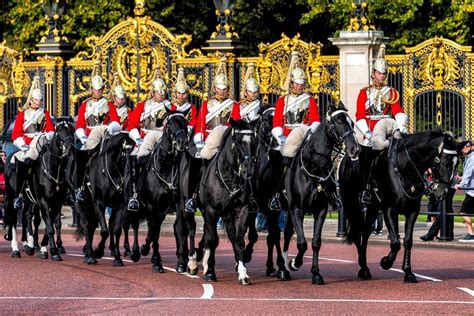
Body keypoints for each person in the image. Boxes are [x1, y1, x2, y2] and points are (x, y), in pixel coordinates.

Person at [184, 59, 241, 213]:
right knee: (197, 162)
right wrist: (199, 140)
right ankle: (193, 195)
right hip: (209, 141)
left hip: (227, 140)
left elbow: (236, 124)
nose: (222, 91)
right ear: (214, 88)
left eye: (224, 89)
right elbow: (200, 125)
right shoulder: (206, 105)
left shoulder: (234, 105)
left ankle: (246, 197)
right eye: (219, 88)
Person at [269, 51, 320, 211]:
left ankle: (326, 192)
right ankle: (276, 195)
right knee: (279, 164)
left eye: (302, 83)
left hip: (304, 138)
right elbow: (277, 121)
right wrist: (281, 138)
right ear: (291, 83)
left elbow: (315, 120)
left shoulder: (310, 100)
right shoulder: (282, 101)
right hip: (287, 139)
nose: (300, 86)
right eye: (297, 83)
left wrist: (311, 132)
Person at [126, 75, 172, 211]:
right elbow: (132, 125)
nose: (161, 95)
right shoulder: (143, 106)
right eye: (158, 92)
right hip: (146, 139)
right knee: (138, 159)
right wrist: (138, 139)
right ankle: (135, 194)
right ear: (153, 92)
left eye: (163, 92)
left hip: (165, 139)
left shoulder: (172, 106)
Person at [74, 74, 121, 201]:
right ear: (92, 89)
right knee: (81, 157)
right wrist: (83, 137)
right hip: (90, 137)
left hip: (105, 135)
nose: (98, 92)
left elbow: (116, 120)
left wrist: (110, 128)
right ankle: (80, 187)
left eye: (100, 89)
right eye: (96, 89)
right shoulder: (85, 105)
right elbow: (80, 125)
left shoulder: (109, 104)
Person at [11, 76, 54, 209]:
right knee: (25, 164)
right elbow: (16, 134)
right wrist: (22, 145)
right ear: (31, 100)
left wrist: (47, 137)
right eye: (37, 100)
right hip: (28, 146)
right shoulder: (23, 115)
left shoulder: (45, 113)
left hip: (42, 144)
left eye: (41, 100)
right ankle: (19, 195)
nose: (40, 102)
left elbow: (50, 130)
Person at [355, 44, 408, 146]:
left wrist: (400, 126)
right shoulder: (364, 92)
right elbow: (360, 115)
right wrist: (367, 133)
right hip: (371, 131)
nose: (382, 76)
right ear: (373, 74)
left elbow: (397, 110)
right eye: (379, 73)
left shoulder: (391, 91)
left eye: (384, 73)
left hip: (388, 131)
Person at [454, 140, 474, 242]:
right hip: (472, 190)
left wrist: (461, 185)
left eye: (467, 146)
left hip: (472, 192)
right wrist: (461, 178)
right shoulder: (469, 157)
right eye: (464, 147)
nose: (465, 148)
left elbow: (469, 174)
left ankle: (471, 234)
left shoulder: (472, 158)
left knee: (464, 211)